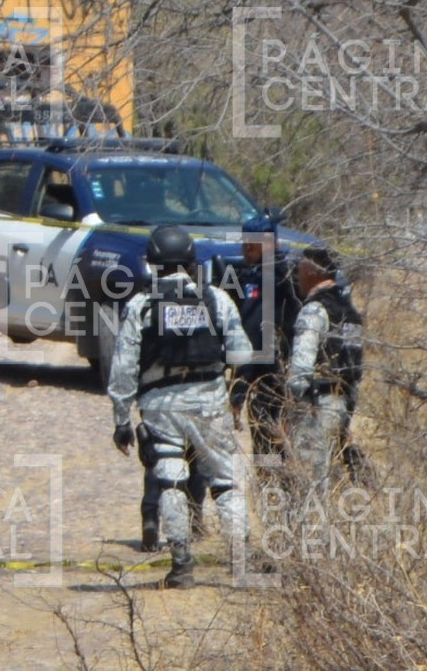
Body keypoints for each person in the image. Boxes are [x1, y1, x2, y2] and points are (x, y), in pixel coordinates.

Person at [109, 226, 252, 588]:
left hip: (161, 406)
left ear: (153, 265)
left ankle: (181, 565)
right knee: (225, 483)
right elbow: (241, 352)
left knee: (171, 480)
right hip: (208, 400)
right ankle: (241, 561)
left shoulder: (140, 307)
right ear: (190, 262)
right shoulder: (217, 299)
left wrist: (122, 421)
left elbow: (124, 369)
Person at [286, 246, 364, 492]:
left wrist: (293, 404)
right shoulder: (351, 313)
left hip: (315, 406)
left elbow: (301, 367)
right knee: (329, 476)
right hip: (342, 405)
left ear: (311, 272)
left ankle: (311, 528)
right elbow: (354, 366)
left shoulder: (313, 310)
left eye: (299, 270)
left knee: (309, 480)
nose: (296, 276)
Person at [226, 216, 302, 464]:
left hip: (274, 385)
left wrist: (238, 389)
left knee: (270, 458)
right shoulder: (292, 272)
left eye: (249, 245)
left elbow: (254, 339)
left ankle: (275, 497)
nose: (244, 251)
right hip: (295, 382)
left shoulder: (270, 280)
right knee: (289, 456)